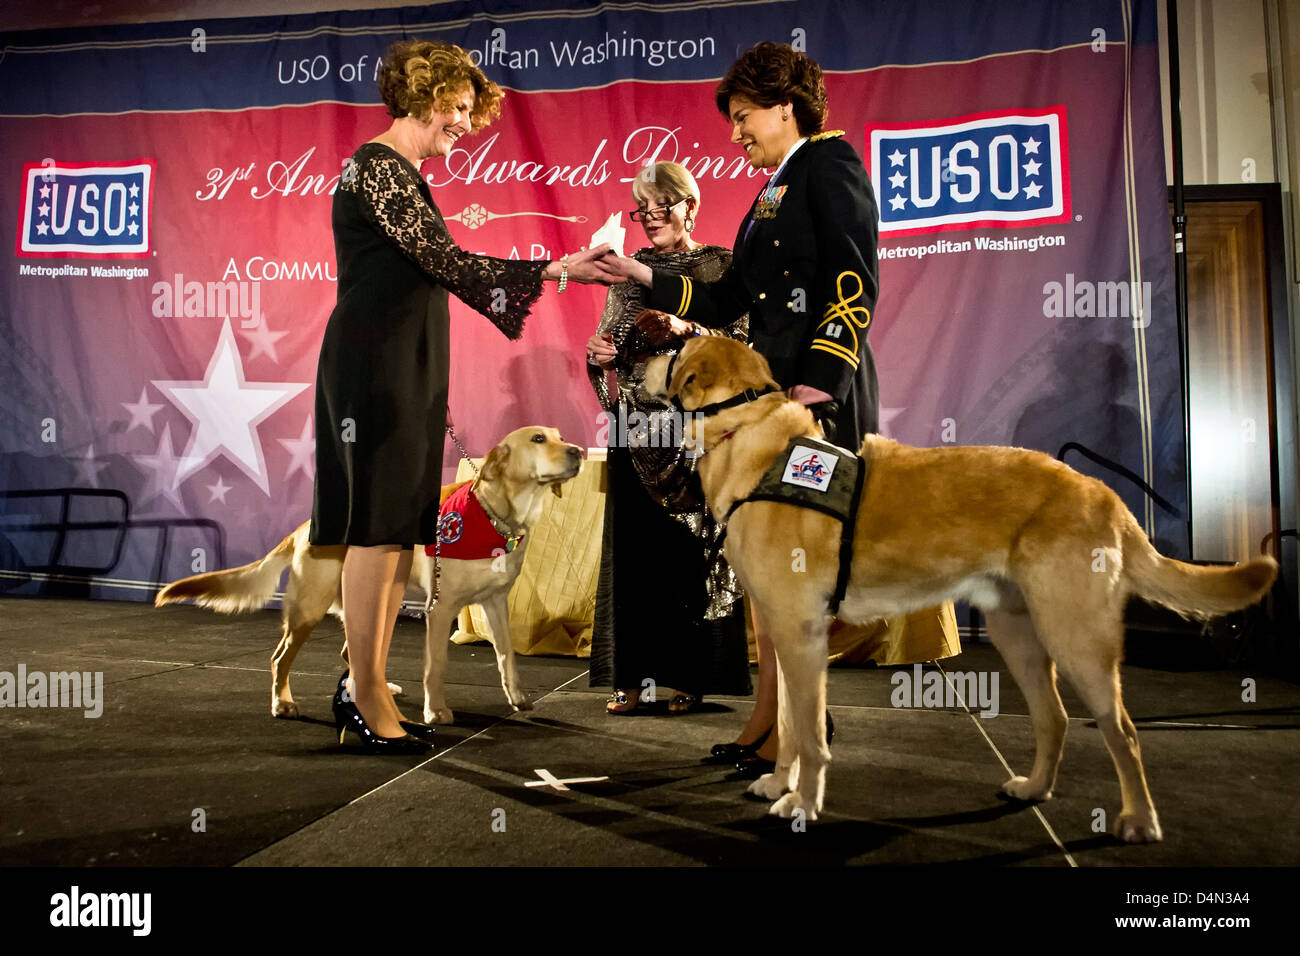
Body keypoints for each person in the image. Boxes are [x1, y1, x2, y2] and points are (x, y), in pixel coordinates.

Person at [312, 39, 619, 753]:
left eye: (469, 112)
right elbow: (446, 261)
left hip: (404, 364)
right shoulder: (377, 168)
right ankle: (361, 693)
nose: (466, 124)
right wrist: (561, 268)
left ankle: (368, 679)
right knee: (375, 530)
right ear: (421, 97)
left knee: (399, 530)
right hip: (373, 367)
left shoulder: (401, 174)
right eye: (456, 109)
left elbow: (431, 271)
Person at [599, 42, 879, 774]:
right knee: (765, 566)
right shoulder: (773, 190)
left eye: (745, 115)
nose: (735, 133)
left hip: (811, 403)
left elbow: (855, 278)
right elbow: (727, 300)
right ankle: (768, 718)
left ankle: (802, 729)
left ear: (785, 105)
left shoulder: (831, 163)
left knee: (801, 567)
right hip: (768, 409)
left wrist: (820, 387)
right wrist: (635, 272)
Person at [585, 162, 752, 716]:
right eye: (643, 209)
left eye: (664, 206)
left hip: (698, 432)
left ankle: (691, 677)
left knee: (692, 552)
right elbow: (607, 350)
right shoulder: (627, 272)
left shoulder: (719, 265)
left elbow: (743, 346)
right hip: (636, 430)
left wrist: (688, 330)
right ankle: (629, 677)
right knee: (634, 556)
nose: (652, 217)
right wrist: (598, 358)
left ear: (690, 206)